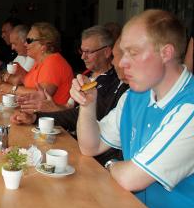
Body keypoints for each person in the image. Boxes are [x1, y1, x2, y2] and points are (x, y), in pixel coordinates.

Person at [71, 9, 194, 208]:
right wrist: (88, 105)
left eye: (133, 53)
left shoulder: (193, 106)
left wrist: (110, 165)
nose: (121, 63)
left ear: (166, 53)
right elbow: (90, 146)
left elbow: (131, 179)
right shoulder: (135, 96)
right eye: (122, 53)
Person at [12, 33, 128, 166]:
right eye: (81, 51)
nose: (82, 56)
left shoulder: (115, 84)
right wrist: (39, 115)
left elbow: (83, 116)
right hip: (74, 143)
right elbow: (71, 109)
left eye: (88, 52)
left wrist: (41, 115)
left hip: (84, 153)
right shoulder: (86, 75)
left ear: (107, 52)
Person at [0, 22, 73, 105]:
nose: (25, 44)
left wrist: (12, 89)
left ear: (43, 45)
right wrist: (22, 74)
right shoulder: (39, 61)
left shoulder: (53, 62)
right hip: (37, 113)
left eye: (29, 40)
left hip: (51, 117)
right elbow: (31, 85)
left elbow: (42, 95)